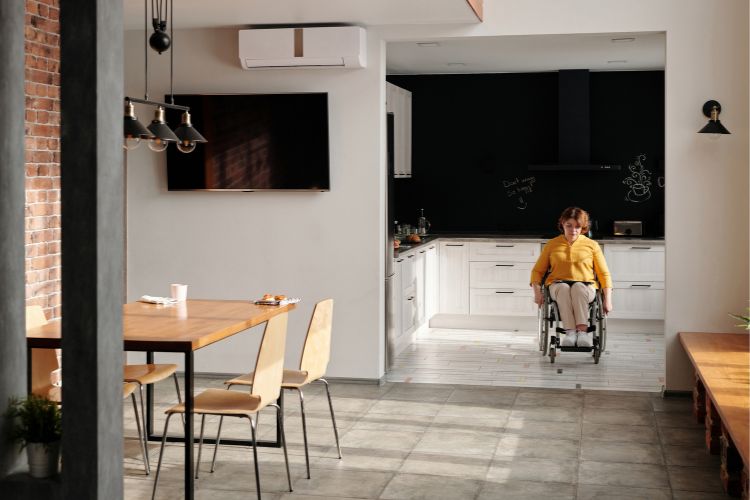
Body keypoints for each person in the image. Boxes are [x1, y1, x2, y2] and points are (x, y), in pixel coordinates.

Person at [530, 207, 613, 348]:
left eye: (577, 226)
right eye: (569, 225)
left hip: (586, 286)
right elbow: (537, 271)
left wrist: (608, 300)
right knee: (563, 288)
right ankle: (570, 333)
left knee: (578, 287)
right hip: (558, 284)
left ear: (583, 227)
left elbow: (604, 274)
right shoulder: (552, 245)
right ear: (562, 224)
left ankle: (582, 333)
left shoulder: (592, 245)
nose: (573, 230)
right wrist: (537, 292)